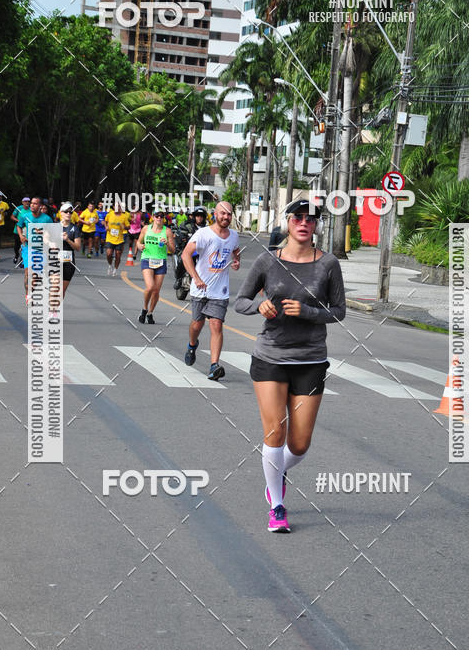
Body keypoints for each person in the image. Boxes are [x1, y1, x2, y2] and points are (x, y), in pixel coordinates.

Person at [234, 199, 346, 533]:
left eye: (311, 219)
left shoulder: (328, 264)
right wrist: (259, 307)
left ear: (316, 225)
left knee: (298, 445)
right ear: (288, 222)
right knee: (275, 432)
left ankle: (276, 472)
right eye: (298, 217)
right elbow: (240, 302)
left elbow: (339, 311)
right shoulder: (268, 260)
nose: (304, 223)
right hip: (270, 356)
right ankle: (277, 507)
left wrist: (308, 312)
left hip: (310, 359)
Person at [182, 201, 240, 381]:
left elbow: (236, 251)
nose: (226, 217)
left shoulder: (234, 236)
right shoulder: (203, 234)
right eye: (223, 213)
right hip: (200, 289)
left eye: (229, 214)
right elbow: (185, 255)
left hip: (220, 291)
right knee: (197, 324)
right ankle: (192, 345)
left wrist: (236, 261)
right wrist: (196, 278)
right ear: (215, 214)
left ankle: (214, 365)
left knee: (216, 324)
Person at [137, 210, 175, 324]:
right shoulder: (146, 229)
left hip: (160, 261)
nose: (159, 218)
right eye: (157, 216)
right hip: (147, 259)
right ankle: (144, 309)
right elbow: (138, 242)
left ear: (163, 218)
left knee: (156, 291)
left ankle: (150, 313)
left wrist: (167, 243)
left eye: (161, 216)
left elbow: (173, 250)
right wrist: (140, 246)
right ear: (153, 217)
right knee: (150, 287)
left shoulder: (167, 231)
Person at [17, 195, 54, 304]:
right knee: (28, 272)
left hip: (41, 249)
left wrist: (43, 233)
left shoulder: (47, 219)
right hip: (27, 248)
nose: (32, 205)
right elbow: (19, 226)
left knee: (36, 276)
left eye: (35, 203)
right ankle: (28, 295)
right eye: (31, 203)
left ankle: (31, 292)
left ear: (40, 206)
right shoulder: (25, 216)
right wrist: (21, 236)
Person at [54, 202, 81, 308]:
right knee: (55, 287)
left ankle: (54, 311)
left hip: (69, 262)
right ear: (61, 213)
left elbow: (77, 247)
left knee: (62, 290)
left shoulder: (75, 229)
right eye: (66, 211)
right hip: (55, 261)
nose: (68, 214)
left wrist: (68, 240)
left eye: (71, 212)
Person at [104, 203, 130, 276]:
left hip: (119, 239)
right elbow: (105, 221)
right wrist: (106, 226)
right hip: (110, 238)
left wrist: (124, 227)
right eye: (115, 207)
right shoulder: (110, 214)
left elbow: (129, 227)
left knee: (118, 255)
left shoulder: (124, 216)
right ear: (113, 207)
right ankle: (110, 265)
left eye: (118, 207)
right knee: (109, 254)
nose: (117, 208)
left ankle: (115, 270)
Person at [11, 196, 30, 264]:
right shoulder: (19, 208)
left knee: (24, 245)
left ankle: (22, 260)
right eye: (25, 201)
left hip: (26, 230)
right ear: (22, 202)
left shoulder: (31, 209)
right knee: (16, 246)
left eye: (28, 201)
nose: (27, 202)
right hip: (18, 229)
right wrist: (19, 221)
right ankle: (17, 255)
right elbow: (12, 217)